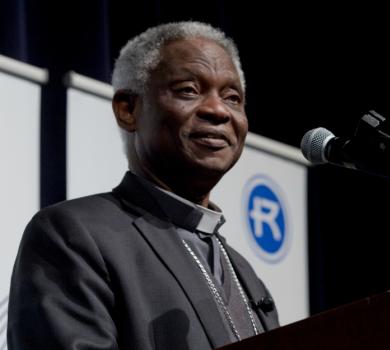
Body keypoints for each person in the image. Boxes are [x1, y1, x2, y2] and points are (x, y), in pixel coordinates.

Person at [8, 21, 280, 349]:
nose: (218, 110)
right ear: (128, 110)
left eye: (232, 97)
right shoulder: (74, 234)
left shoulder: (244, 273)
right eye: (189, 91)